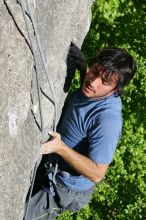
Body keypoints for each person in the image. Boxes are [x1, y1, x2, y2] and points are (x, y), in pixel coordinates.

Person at [24, 45, 136, 220]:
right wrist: (84, 68)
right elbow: (93, 82)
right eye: (95, 71)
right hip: (52, 164)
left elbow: (97, 173)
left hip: (64, 187)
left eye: (104, 82)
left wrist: (61, 148)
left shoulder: (108, 120)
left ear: (115, 90)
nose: (92, 82)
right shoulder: (93, 87)